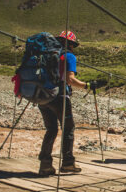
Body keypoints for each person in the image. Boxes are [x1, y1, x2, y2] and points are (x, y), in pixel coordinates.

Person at [38, 30, 96, 176]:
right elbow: (70, 80)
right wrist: (87, 85)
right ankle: (68, 164)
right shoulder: (69, 56)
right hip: (60, 97)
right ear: (71, 44)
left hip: (42, 96)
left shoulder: (47, 55)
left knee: (51, 129)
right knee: (68, 128)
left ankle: (45, 165)